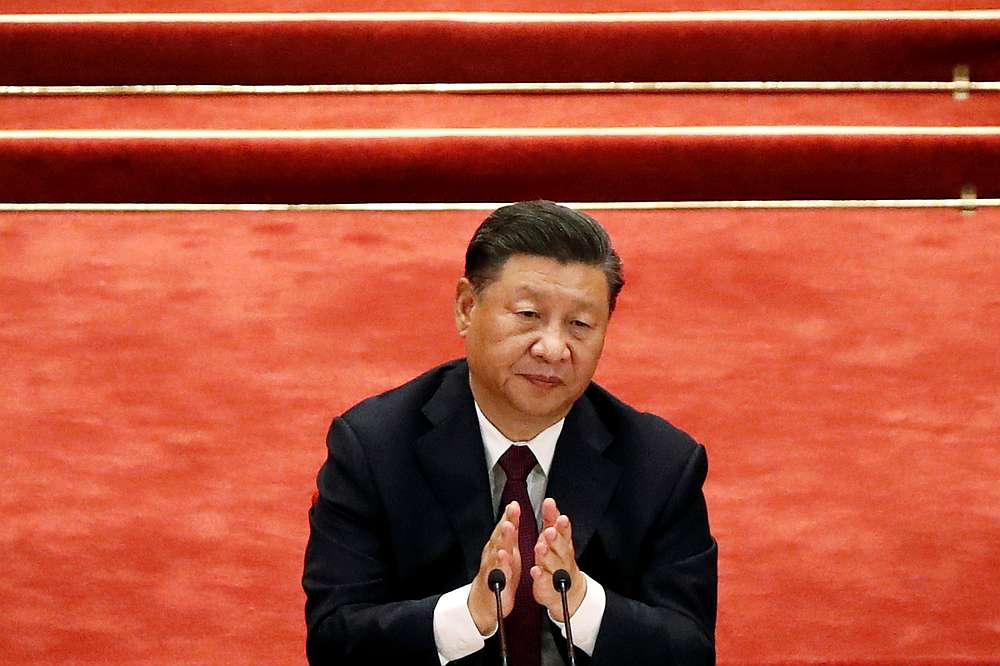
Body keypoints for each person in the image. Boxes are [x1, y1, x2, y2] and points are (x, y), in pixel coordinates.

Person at [303, 200, 717, 665]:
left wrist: (582, 604)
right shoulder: (373, 447)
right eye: (527, 315)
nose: (553, 348)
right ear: (466, 307)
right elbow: (334, 640)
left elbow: (691, 651)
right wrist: (466, 615)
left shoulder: (662, 464)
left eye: (580, 324)